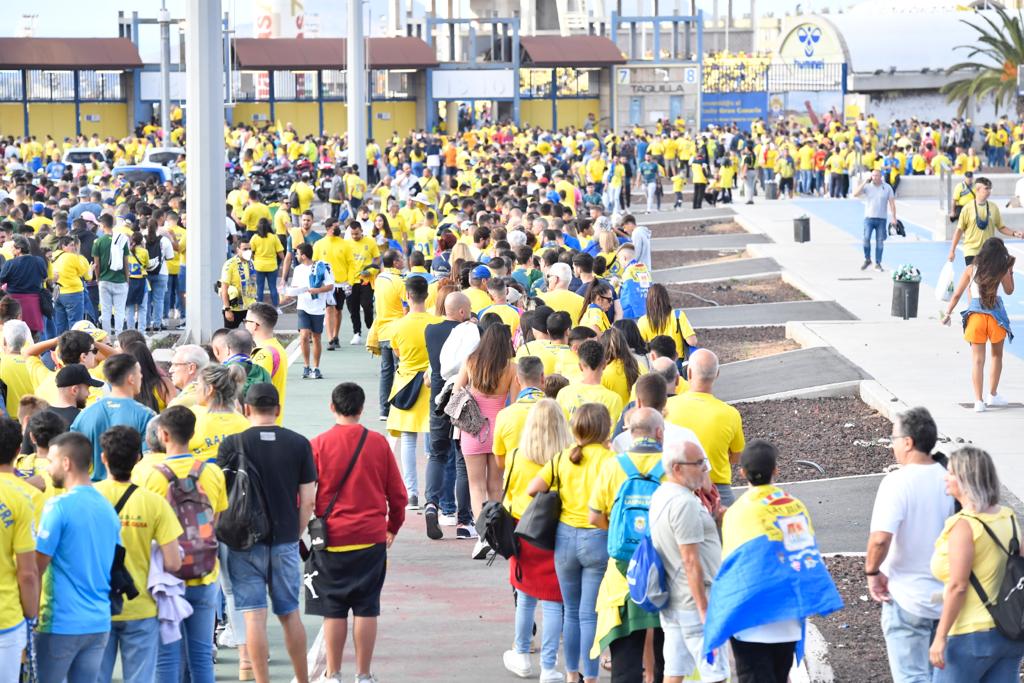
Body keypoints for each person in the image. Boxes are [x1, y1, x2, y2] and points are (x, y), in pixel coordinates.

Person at [703, 439, 842, 683]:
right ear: (775, 470)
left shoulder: (738, 512)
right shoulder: (794, 506)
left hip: (750, 622)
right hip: (787, 619)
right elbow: (803, 556)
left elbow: (733, 565)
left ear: (742, 472)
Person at [307, 382, 408, 683]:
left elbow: (305, 495)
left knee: (333, 609)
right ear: (363, 408)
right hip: (371, 538)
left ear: (332, 407)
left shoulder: (318, 445)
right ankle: (363, 674)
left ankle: (333, 673)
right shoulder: (377, 443)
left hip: (332, 539)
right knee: (367, 607)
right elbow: (398, 496)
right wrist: (392, 527)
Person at [218, 384, 316, 683]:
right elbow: (309, 499)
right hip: (285, 540)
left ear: (246, 409)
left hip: (244, 542)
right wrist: (295, 531)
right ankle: (302, 679)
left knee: (253, 616)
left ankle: (261, 680)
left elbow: (222, 495)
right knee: (289, 614)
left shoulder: (232, 444)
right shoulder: (299, 444)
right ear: (278, 409)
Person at [132, 405, 228, 683]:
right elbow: (216, 521)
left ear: (162, 435)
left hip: (167, 577)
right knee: (200, 656)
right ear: (193, 433)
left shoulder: (150, 476)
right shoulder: (212, 473)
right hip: (205, 572)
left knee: (167, 657)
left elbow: (146, 529)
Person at [866, 407, 953, 683]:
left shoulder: (896, 482)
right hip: (948, 598)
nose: (892, 445)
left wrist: (872, 572)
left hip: (906, 596)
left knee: (911, 677)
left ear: (908, 442)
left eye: (893, 438)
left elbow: (881, 538)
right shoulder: (950, 479)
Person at [527, 402, 613, 683]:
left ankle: (571, 673)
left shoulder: (563, 457)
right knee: (590, 614)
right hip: (597, 536)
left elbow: (533, 489)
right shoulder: (609, 459)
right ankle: (591, 675)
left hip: (564, 538)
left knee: (571, 612)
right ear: (605, 428)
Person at [95, 425, 183, 683]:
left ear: (103, 458)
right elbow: (173, 562)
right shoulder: (154, 503)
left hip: (98, 604)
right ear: (138, 458)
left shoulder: (89, 497)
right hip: (141, 604)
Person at [929, 446, 1024, 680]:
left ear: (966, 480)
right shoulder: (1008, 517)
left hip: (969, 636)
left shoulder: (963, 525)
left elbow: (958, 586)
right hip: (1009, 632)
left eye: (951, 473)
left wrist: (940, 637)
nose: (945, 477)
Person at [35, 432, 122, 683]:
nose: (48, 468)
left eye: (51, 461)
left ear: (66, 463)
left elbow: (37, 567)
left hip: (61, 622)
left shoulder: (57, 507)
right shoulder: (107, 508)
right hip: (98, 622)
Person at [588, 408, 668, 681]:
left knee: (625, 660)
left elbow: (594, 515)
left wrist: (617, 534)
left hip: (622, 575)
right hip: (665, 570)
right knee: (666, 659)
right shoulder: (673, 465)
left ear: (630, 433)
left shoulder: (613, 465)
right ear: (659, 433)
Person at [500, 398, 569, 681]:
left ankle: (521, 651)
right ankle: (549, 666)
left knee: (525, 594)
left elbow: (509, 490)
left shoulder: (516, 455)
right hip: (555, 532)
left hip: (522, 530)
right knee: (554, 600)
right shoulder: (567, 458)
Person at [651, 438, 729, 683]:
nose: (705, 469)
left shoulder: (663, 493)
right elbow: (690, 561)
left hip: (674, 599)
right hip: (694, 602)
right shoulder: (684, 503)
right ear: (677, 468)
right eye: (698, 464)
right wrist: (704, 608)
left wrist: (712, 520)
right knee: (715, 673)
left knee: (674, 671)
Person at [454, 322, 518, 533]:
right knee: (495, 485)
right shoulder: (511, 368)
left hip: (473, 429)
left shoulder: (471, 361)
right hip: (499, 428)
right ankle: (497, 531)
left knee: (476, 485)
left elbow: (456, 392)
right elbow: (515, 402)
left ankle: (483, 533)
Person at [941, 237, 1015, 412]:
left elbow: (957, 295)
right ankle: (993, 395)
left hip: (976, 318)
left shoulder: (970, 269)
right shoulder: (1001, 269)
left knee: (977, 360)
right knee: (996, 356)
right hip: (996, 317)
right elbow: (1010, 291)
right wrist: (1010, 270)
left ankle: (978, 401)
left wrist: (948, 313)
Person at [423, 291, 474, 541]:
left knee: (437, 453)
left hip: (439, 399)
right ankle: (464, 519)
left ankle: (431, 503)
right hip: (463, 397)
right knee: (463, 459)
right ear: (463, 312)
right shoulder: (473, 332)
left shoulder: (431, 331)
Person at [664, 349, 744, 506]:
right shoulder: (730, 414)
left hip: (676, 488)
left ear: (689, 372)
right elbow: (736, 457)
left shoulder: (667, 407)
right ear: (717, 374)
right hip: (717, 493)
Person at [385, 275, 436, 508]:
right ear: (427, 296)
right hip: (432, 383)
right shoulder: (436, 323)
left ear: (407, 296)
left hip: (406, 384)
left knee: (408, 439)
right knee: (434, 441)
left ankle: (411, 493)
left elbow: (396, 353)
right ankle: (434, 496)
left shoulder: (397, 326)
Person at [70, 353, 157, 480]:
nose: (142, 376)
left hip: (94, 491)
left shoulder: (84, 415)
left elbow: (73, 458)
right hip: (129, 491)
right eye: (139, 372)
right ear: (131, 378)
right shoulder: (146, 415)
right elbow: (150, 461)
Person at [0, 417, 38, 683]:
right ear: (17, 452)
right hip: (6, 617)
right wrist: (32, 614)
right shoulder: (21, 497)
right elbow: (27, 572)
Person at [947, 176, 1024, 266]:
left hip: (989, 250)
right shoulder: (967, 208)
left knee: (991, 278)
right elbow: (959, 230)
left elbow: (1001, 227)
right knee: (975, 278)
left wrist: (1014, 233)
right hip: (971, 251)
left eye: (990, 189)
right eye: (986, 188)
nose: (989, 191)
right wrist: (952, 251)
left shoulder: (993, 207)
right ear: (978, 189)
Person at [286, 242, 334, 380]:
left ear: (304, 255)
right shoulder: (298, 269)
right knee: (304, 335)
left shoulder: (320, 267)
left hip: (318, 307)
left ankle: (316, 367)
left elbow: (330, 286)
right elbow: (295, 286)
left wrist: (317, 290)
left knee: (317, 337)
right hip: (303, 307)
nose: (296, 255)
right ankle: (306, 366)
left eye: (297, 253)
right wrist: (291, 292)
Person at [556, 339, 624, 430]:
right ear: (604, 364)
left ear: (580, 366)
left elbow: (558, 428)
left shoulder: (564, 393)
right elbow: (612, 435)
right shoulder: (614, 399)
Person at [189, 363, 250, 462]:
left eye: (197, 384)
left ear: (209, 389)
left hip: (199, 475)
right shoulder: (245, 423)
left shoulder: (192, 416)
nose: (195, 388)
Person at [374, 249, 406, 420]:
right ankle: (400, 406)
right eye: (400, 259)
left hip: (383, 330)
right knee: (401, 369)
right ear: (395, 263)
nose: (403, 261)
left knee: (386, 371)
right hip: (398, 332)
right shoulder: (399, 281)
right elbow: (408, 303)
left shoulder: (379, 279)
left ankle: (384, 410)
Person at [247, 302, 289, 419]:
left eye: (246, 322)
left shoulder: (264, 353)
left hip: (261, 422)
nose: (245, 325)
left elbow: (256, 390)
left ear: (255, 326)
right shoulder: (277, 348)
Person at [637, 284, 697, 361]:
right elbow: (692, 342)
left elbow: (639, 347)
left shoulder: (642, 321)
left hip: (654, 361)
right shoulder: (678, 315)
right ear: (666, 298)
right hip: (677, 360)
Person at [0, 236, 47, 334]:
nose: (11, 250)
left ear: (19, 249)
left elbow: (2, 279)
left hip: (14, 304)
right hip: (33, 303)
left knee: (12, 333)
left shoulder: (10, 263)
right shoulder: (39, 261)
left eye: (13, 247)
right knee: (33, 334)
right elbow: (44, 276)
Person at [92, 217, 131, 333]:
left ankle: (106, 337)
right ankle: (120, 336)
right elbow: (126, 262)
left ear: (103, 226)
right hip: (120, 280)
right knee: (120, 310)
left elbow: (96, 264)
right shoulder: (121, 240)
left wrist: (98, 278)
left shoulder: (98, 242)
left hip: (104, 280)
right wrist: (127, 278)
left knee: (105, 310)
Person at [853, 169, 896, 271]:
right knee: (866, 238)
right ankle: (867, 259)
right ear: (871, 176)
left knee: (880, 242)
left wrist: (894, 218)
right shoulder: (867, 187)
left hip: (881, 219)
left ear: (881, 176)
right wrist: (864, 181)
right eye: (873, 176)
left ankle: (878, 263)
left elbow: (892, 204)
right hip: (869, 218)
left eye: (877, 176)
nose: (875, 178)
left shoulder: (887, 187)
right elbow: (855, 194)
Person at [50, 235, 92, 334]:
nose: (74, 248)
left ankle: (59, 346)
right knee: (75, 324)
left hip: (57, 292)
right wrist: (89, 269)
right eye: (71, 245)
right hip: (73, 292)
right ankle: (75, 347)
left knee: (60, 324)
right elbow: (86, 275)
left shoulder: (53, 256)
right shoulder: (72, 257)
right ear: (63, 246)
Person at [220, 238, 257, 329]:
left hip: (249, 307)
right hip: (234, 308)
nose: (248, 251)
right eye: (245, 249)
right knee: (230, 337)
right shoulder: (230, 264)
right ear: (238, 250)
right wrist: (227, 309)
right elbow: (224, 288)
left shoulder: (251, 263)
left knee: (252, 336)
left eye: (249, 249)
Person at [250, 218, 284, 310]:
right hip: (272, 266)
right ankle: (276, 307)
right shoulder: (274, 237)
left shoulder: (255, 238)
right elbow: (280, 252)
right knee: (273, 287)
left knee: (259, 288)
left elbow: (251, 252)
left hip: (259, 266)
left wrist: (254, 259)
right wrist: (285, 260)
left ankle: (258, 307)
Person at [167, 344, 210, 409]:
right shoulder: (214, 396)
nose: (170, 370)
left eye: (175, 365)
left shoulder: (179, 404)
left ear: (191, 368)